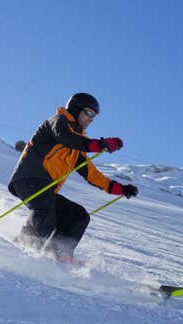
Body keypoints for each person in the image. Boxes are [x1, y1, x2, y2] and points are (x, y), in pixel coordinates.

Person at [8, 93, 138, 263]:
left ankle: (59, 251)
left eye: (94, 116)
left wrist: (119, 188)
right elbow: (66, 137)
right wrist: (99, 144)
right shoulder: (57, 121)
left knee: (78, 215)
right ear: (76, 109)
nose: (91, 119)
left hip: (46, 189)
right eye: (88, 113)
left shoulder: (78, 146)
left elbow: (91, 174)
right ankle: (26, 245)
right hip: (28, 179)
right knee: (45, 205)